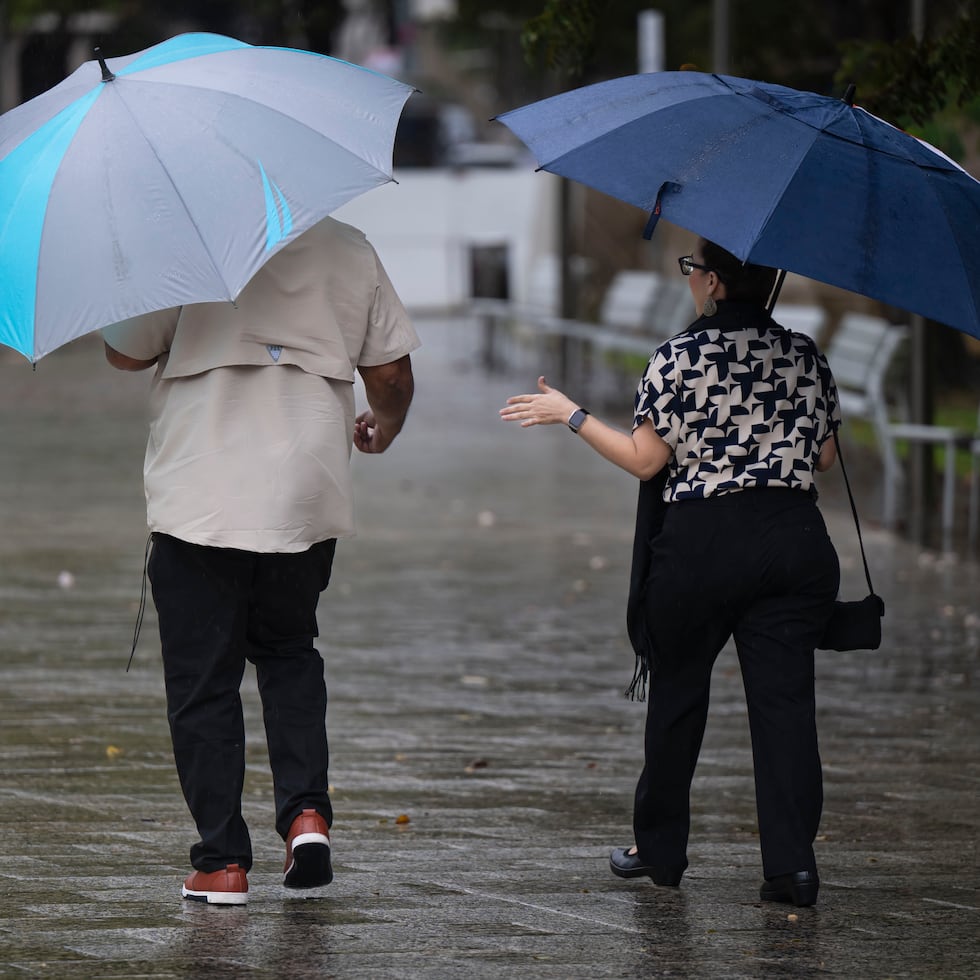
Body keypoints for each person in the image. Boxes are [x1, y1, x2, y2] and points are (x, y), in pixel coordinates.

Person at [500, 238, 840, 908]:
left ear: (713, 283)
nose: (691, 282)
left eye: (694, 272)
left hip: (703, 545)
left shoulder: (679, 357)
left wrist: (569, 414)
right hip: (793, 540)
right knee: (787, 708)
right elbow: (825, 458)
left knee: (679, 695)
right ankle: (793, 866)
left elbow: (645, 461)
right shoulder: (805, 354)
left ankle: (660, 851)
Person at [103, 215, 419, 906]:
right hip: (304, 486)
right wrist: (385, 425)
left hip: (202, 489)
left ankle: (221, 864)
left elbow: (125, 355)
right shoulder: (348, 245)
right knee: (287, 649)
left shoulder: (180, 238)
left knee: (203, 679)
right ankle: (306, 816)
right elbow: (390, 372)